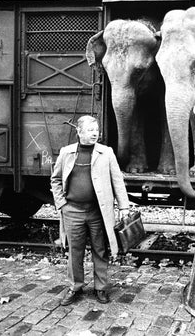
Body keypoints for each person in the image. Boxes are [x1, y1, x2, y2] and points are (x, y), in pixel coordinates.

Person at [50, 115, 129, 306]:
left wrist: (124, 206)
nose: (95, 133)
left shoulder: (106, 153)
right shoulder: (66, 152)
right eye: (90, 130)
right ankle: (75, 287)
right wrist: (62, 204)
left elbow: (117, 181)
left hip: (97, 213)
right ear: (79, 132)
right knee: (74, 251)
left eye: (97, 130)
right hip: (73, 211)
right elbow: (56, 180)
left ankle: (100, 288)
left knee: (100, 250)